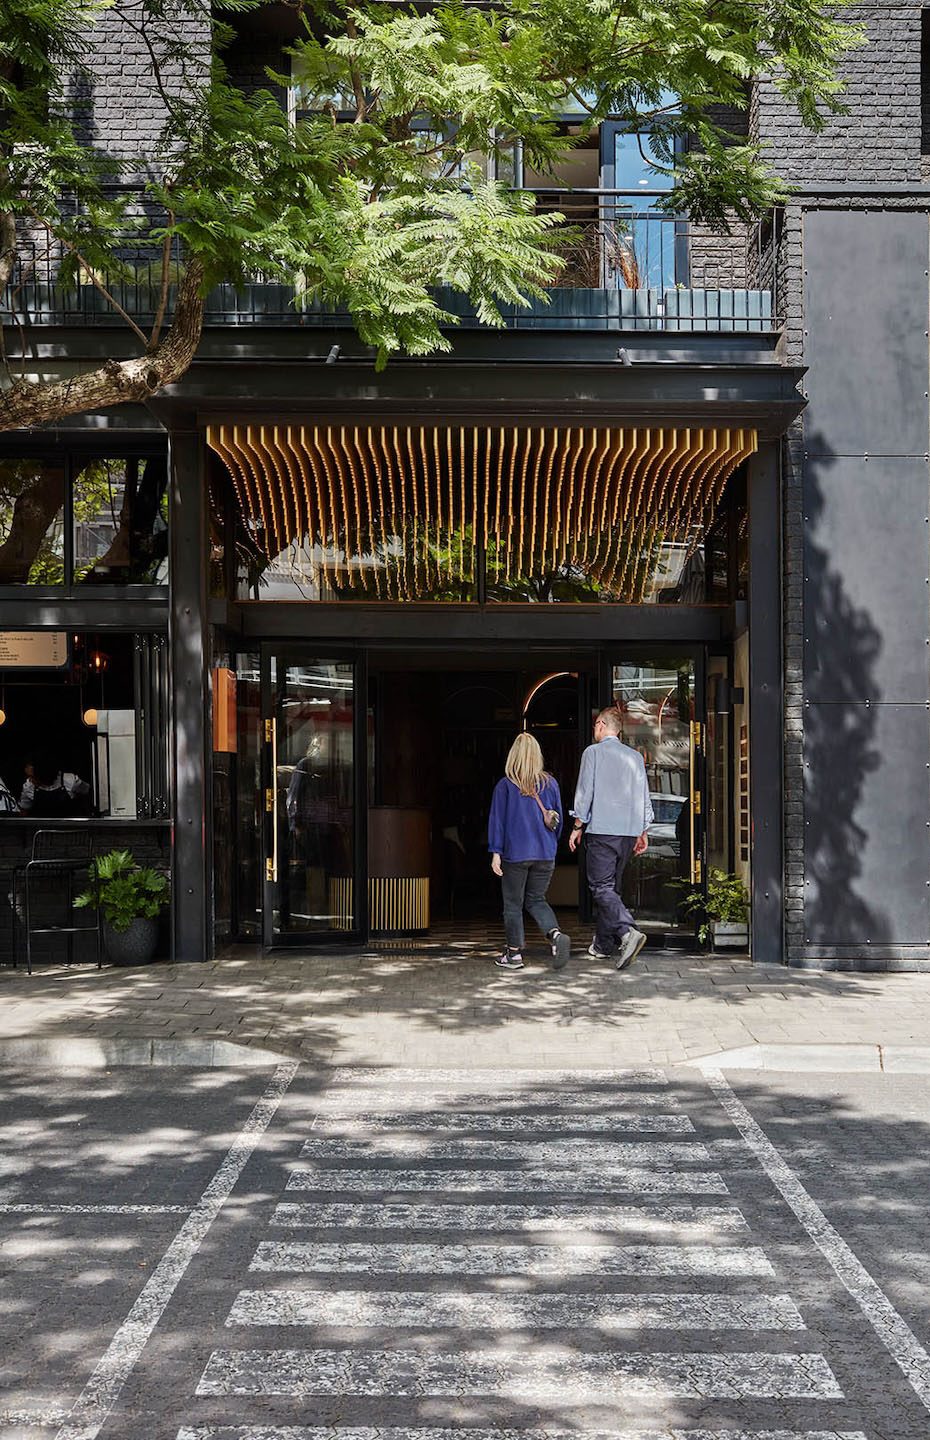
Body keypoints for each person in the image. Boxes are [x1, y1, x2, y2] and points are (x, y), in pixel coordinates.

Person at [569, 706, 653, 971]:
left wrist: (577, 825)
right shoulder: (635, 758)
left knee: (601, 887)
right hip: (628, 832)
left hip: (602, 830)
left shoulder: (593, 753)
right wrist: (643, 830)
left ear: (600, 724)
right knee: (611, 888)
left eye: (596, 726)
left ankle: (628, 932)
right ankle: (603, 945)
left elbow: (585, 792)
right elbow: (644, 795)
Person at [488, 732, 570, 972]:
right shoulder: (550, 783)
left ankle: (513, 955)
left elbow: (498, 822)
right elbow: (558, 820)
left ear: (513, 755)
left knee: (513, 904)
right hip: (545, 854)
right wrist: (551, 845)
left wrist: (496, 852)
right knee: (536, 899)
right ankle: (555, 935)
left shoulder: (505, 786)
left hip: (516, 854)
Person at [19, 754, 91, 817]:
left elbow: (89, 793)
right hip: (43, 830)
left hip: (70, 828)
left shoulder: (71, 781)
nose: (31, 780)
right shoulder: (28, 786)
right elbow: (24, 811)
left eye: (33, 777)